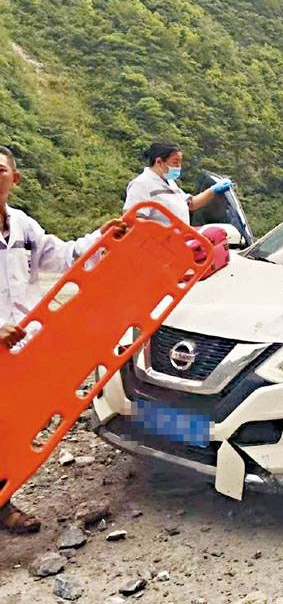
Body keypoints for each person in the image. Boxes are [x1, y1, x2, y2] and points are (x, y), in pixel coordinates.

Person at [0, 145, 126, 534]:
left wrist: (102, 240)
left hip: (22, 345)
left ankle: (3, 505)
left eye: (0, 168)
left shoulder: (21, 225)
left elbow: (65, 256)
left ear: (14, 179)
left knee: (13, 428)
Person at [124, 141, 233, 225]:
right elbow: (133, 220)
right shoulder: (142, 184)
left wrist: (213, 190)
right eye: (175, 162)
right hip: (157, 246)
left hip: (177, 244)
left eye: (180, 162)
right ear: (159, 162)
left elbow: (191, 204)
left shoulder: (170, 182)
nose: (178, 167)